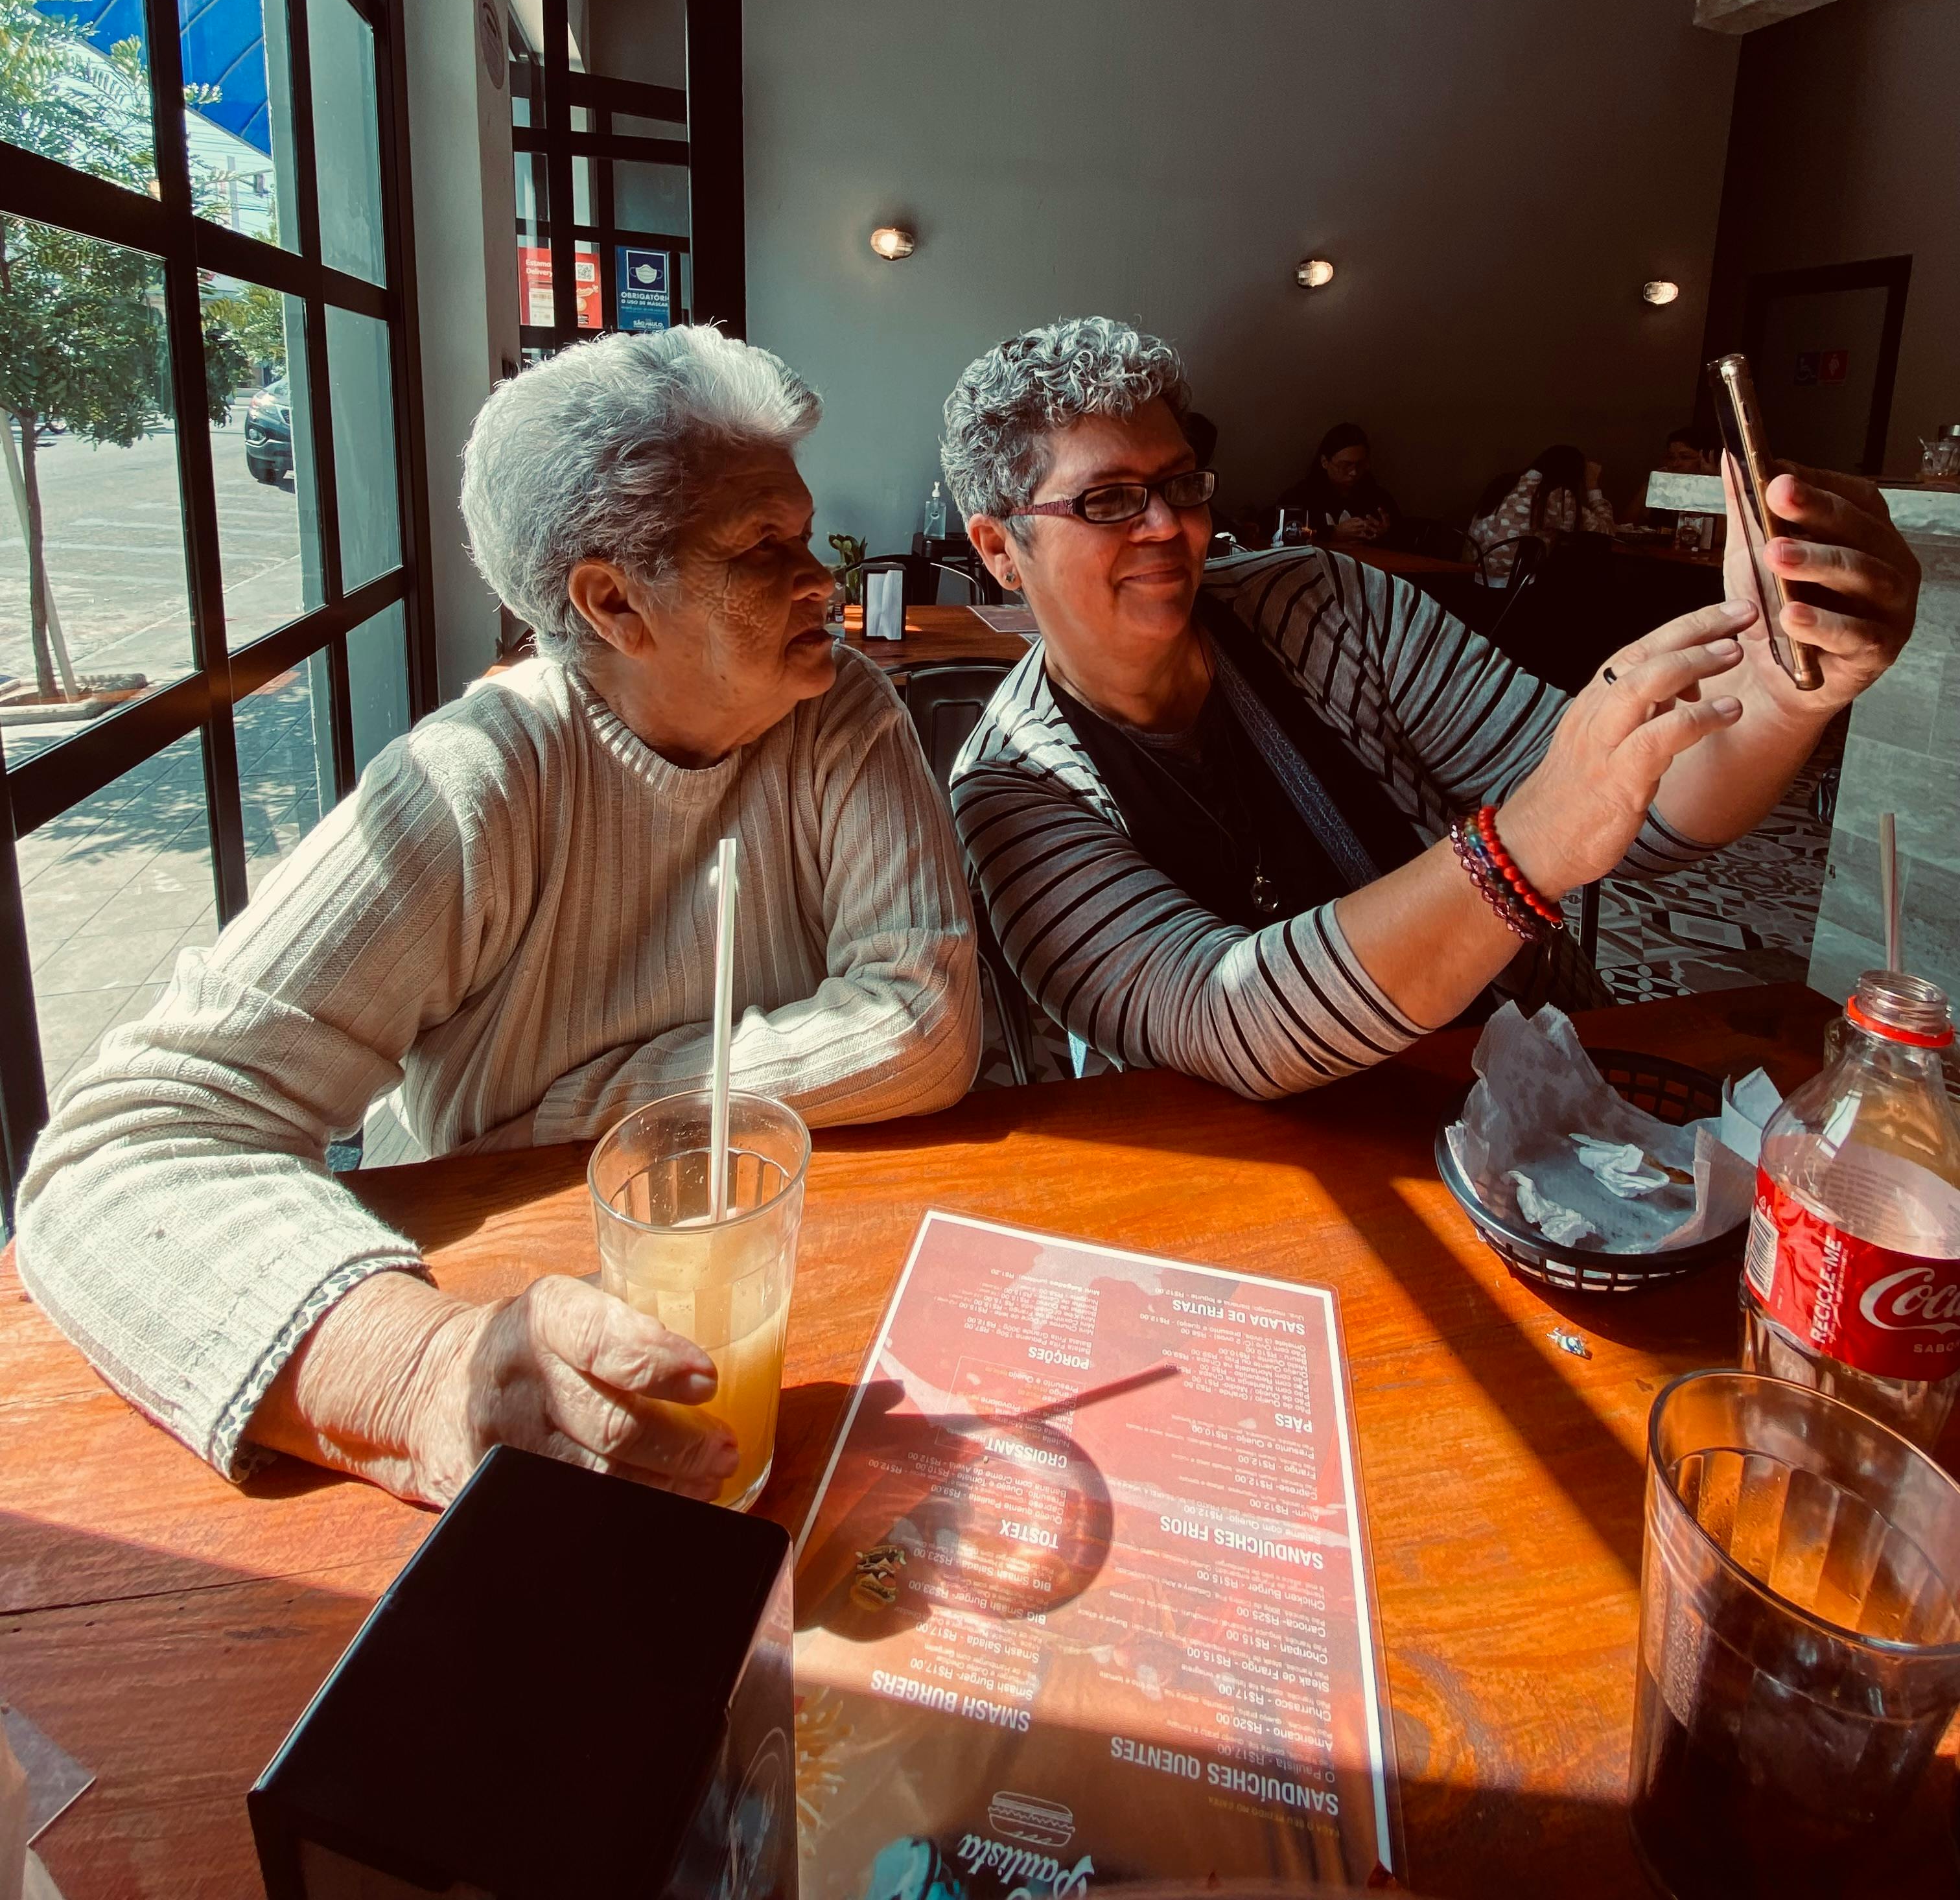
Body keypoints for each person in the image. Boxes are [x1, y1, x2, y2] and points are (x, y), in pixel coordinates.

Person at [16, 329, 981, 1500]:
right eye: (761, 545)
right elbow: (119, 1152)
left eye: (801, 527)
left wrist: (549, 1110)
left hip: (805, 1298)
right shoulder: (477, 781)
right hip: (504, 1311)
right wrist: (420, 1371)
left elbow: (923, 1026)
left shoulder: (841, 711)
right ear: (613, 600)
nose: (819, 577)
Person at [940, 316, 1918, 1097]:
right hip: (1262, 1177)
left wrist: (1786, 693)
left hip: (1523, 1083)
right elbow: (1228, 1023)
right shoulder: (1012, 788)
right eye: (1107, 500)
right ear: (996, 547)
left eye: (1180, 485)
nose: (1168, 528)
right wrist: (1525, 844)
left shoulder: (1326, 601)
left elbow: (1645, 821)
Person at [1467, 443, 1616, 587]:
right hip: (1513, 586)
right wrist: (1592, 485)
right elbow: (1606, 531)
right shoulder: (1553, 495)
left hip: (1472, 576)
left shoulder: (1505, 482)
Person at [1285, 421, 1399, 545]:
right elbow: (1282, 532)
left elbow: (1404, 539)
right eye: (1346, 465)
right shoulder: (1301, 497)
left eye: (1360, 465)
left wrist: (1384, 535)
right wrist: (1333, 534)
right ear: (1325, 462)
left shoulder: (1379, 499)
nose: (1354, 472)